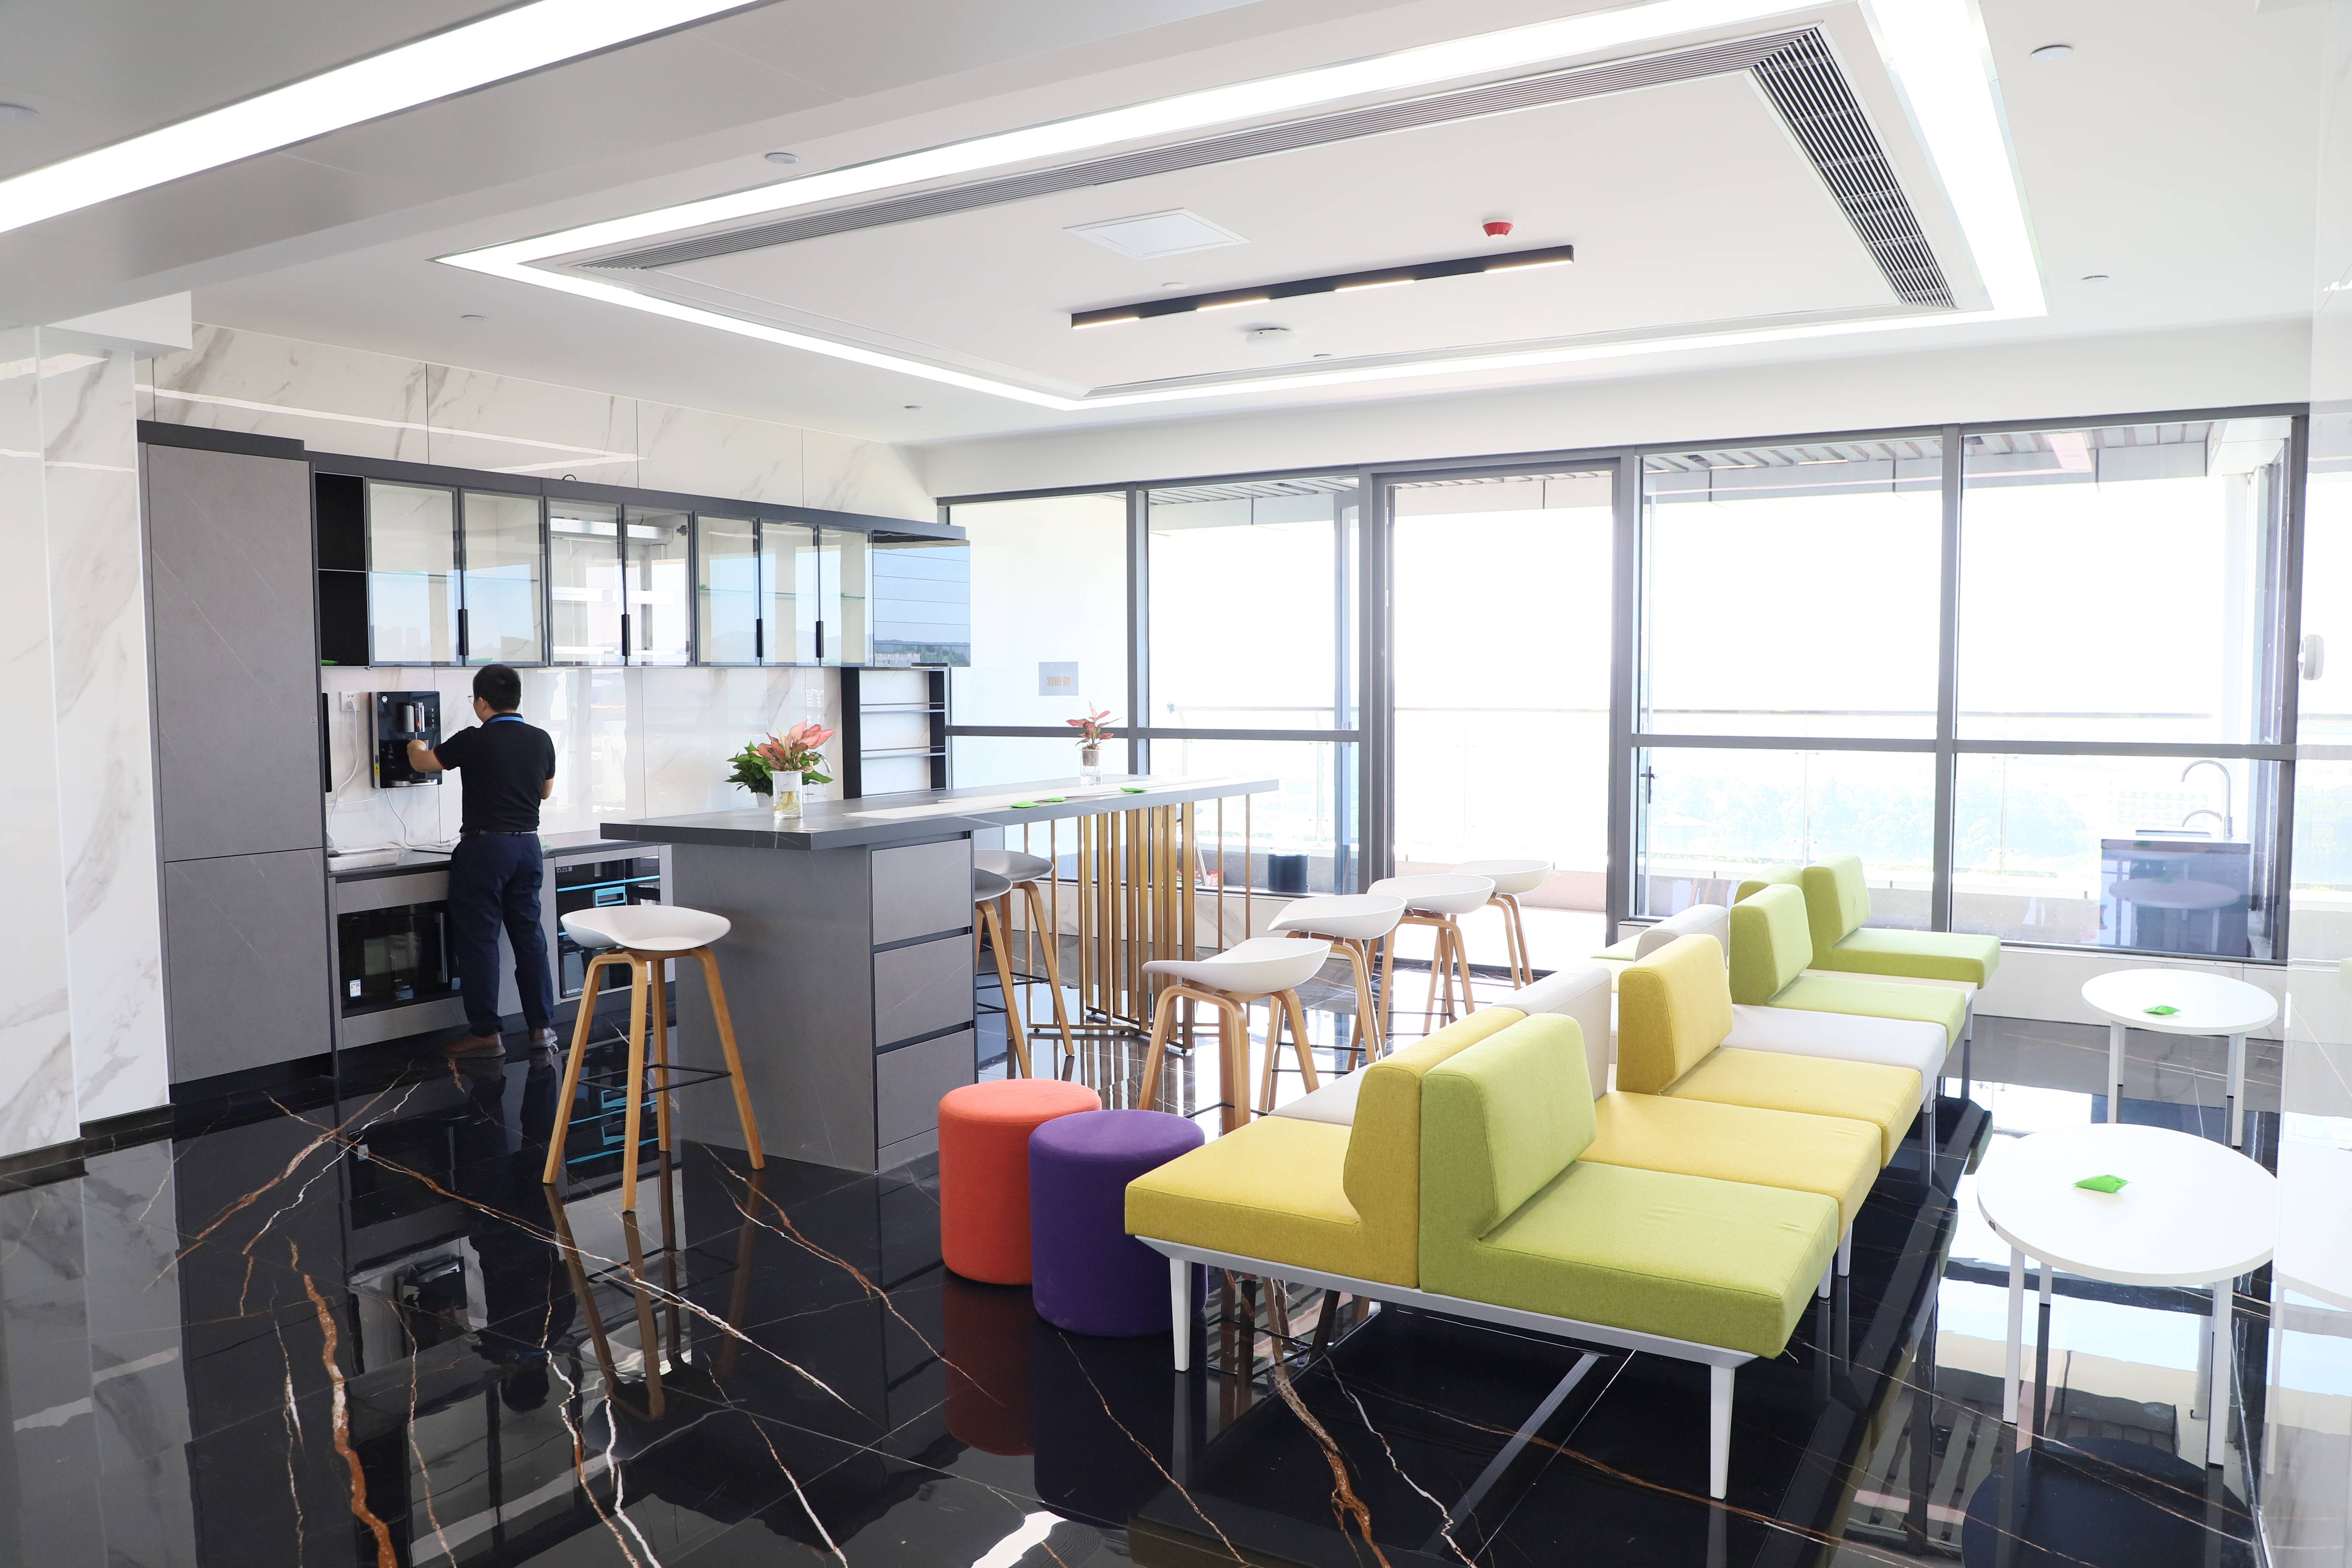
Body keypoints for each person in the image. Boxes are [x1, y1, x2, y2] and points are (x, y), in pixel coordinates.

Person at [408, 664, 557, 1055]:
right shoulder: (541, 739)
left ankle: (486, 1032)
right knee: (530, 939)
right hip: (529, 848)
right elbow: (545, 792)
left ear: (482, 703)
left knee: (480, 941)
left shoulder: (474, 739)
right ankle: (541, 1028)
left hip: (486, 850)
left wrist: (414, 745)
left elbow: (423, 764)